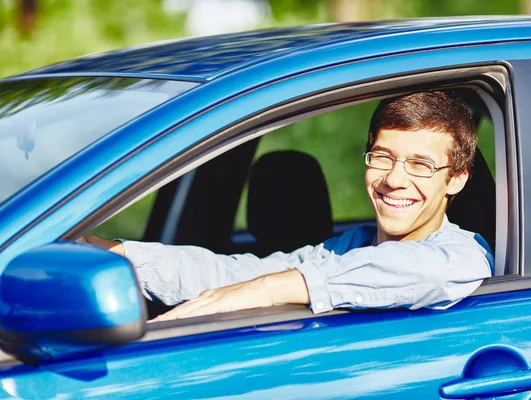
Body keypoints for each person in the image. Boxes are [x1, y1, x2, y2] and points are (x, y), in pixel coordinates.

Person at [81, 90, 494, 321]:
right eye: (383, 157)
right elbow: (241, 271)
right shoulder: (351, 245)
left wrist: (262, 291)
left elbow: (425, 270)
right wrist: (117, 253)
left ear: (455, 179)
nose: (394, 179)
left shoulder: (461, 255)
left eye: (421, 165)